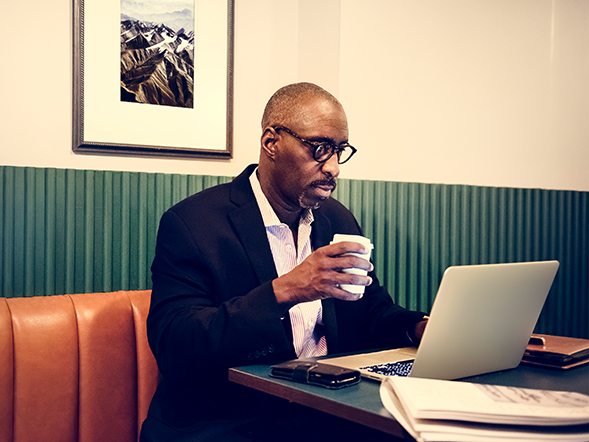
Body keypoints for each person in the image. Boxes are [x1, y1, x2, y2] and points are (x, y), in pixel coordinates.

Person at [140, 82, 428, 442]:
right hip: (227, 419)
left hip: (322, 413)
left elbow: (371, 311)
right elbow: (177, 347)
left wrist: (421, 327)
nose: (334, 168)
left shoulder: (336, 220)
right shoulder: (193, 223)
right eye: (320, 148)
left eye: (340, 151)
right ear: (271, 142)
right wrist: (285, 290)